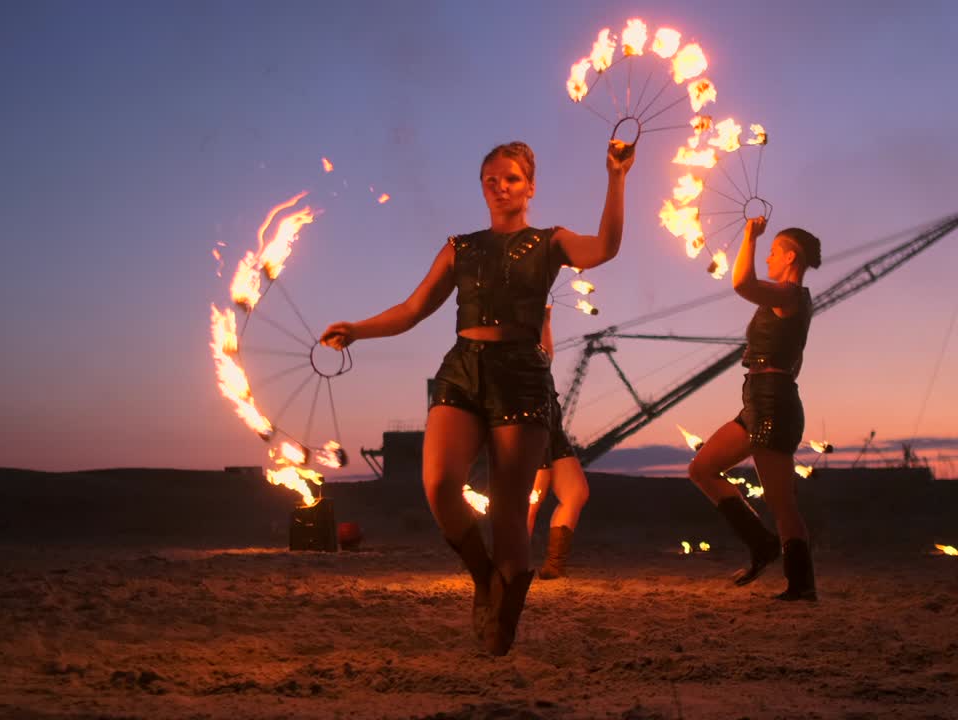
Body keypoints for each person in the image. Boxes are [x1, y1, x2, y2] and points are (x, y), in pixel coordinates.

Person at [321, 139, 635, 653]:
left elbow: (604, 247)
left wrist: (616, 177)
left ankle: (503, 619)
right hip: (463, 369)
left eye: (511, 178)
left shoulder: (550, 241)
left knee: (510, 511)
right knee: (440, 484)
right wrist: (357, 329)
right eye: (490, 179)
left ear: (529, 187)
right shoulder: (459, 247)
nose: (500, 186)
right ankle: (484, 576)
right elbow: (412, 308)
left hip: (521, 373)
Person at [686, 216, 822, 601]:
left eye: (773, 251)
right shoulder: (787, 298)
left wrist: (748, 234)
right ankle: (762, 544)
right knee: (702, 469)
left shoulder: (790, 295)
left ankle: (802, 585)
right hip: (757, 399)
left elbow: (741, 283)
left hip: (773, 401)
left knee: (781, 501)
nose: (767, 258)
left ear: (790, 257)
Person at [527, 306, 590, 580]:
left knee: (576, 492)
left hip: (553, 432)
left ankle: (554, 564)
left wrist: (546, 319)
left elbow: (546, 355)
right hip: (532, 431)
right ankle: (511, 565)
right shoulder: (512, 360)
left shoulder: (537, 358)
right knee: (529, 504)